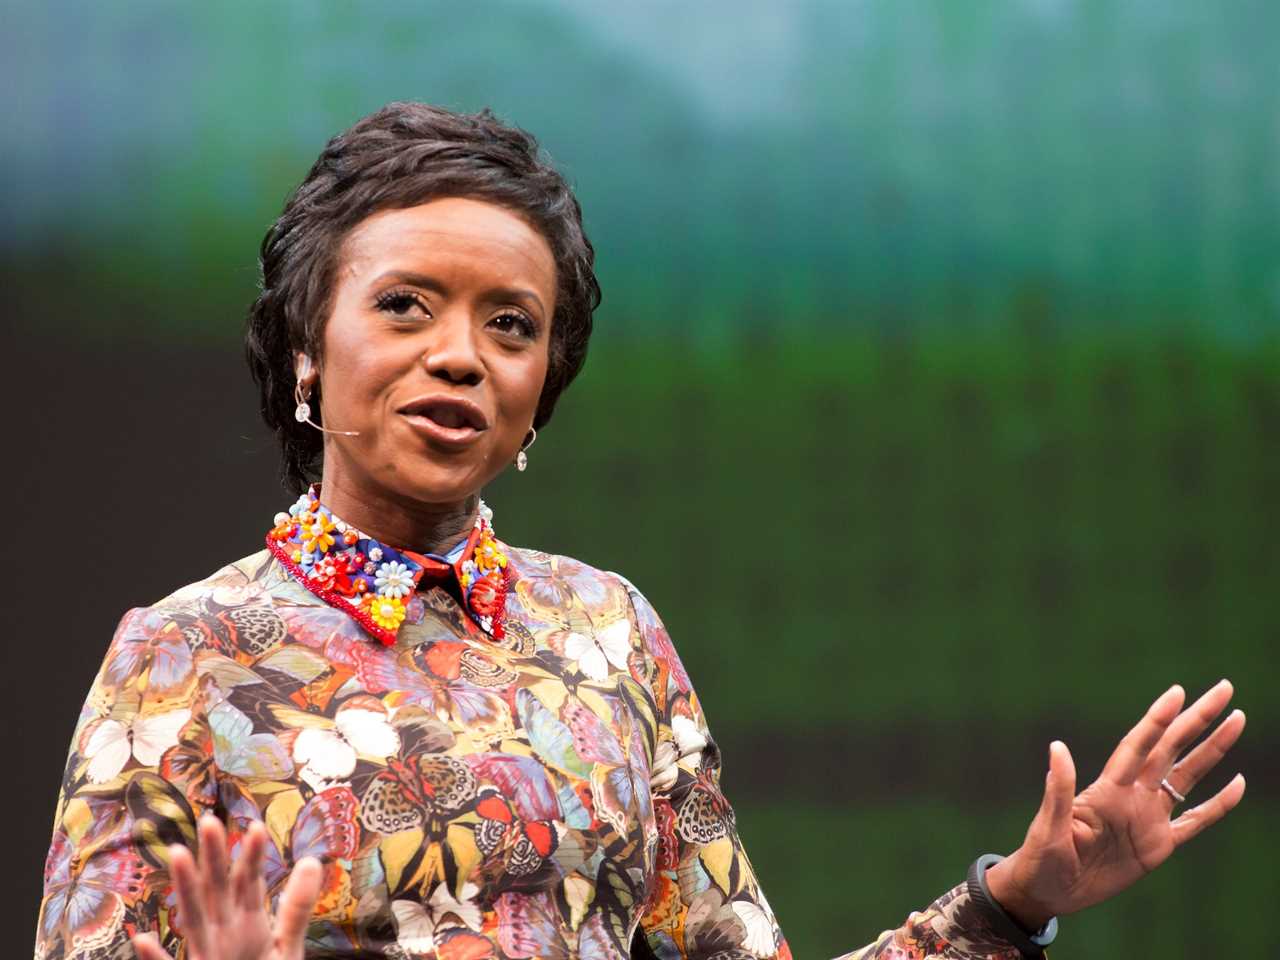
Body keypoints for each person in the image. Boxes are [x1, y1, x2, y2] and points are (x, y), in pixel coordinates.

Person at [34, 102, 1247, 960]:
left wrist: (1010, 904)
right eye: (403, 305)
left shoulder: (605, 632)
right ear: (308, 351)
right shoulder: (182, 656)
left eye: (510, 326)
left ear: (539, 394)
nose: (458, 354)